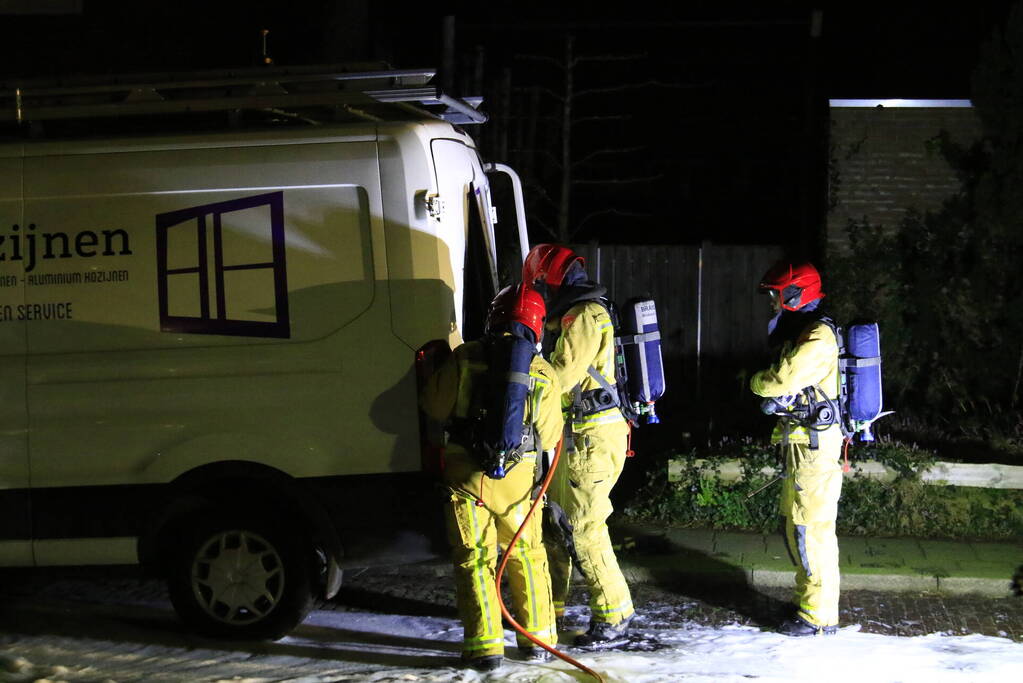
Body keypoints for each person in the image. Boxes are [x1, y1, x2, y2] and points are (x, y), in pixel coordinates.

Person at [420, 284, 564, 671]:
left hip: (466, 479)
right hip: (518, 484)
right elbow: (550, 436)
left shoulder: (464, 358)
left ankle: (485, 647)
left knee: (474, 558)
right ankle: (538, 639)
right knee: (528, 555)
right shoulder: (543, 372)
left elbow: (434, 408)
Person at [522, 243, 635, 646]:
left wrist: (525, 382)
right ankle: (550, 608)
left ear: (549, 281)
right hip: (577, 437)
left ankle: (615, 615)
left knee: (586, 529)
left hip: (593, 439)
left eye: (539, 286)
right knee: (557, 524)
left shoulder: (585, 315)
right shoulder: (574, 314)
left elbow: (560, 377)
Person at [750, 260, 843, 636]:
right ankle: (810, 605)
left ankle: (818, 617)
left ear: (793, 295)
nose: (772, 302)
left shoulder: (818, 336)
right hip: (803, 445)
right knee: (799, 527)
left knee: (811, 529)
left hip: (814, 449)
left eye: (775, 295)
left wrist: (757, 382)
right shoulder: (805, 331)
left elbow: (780, 380)